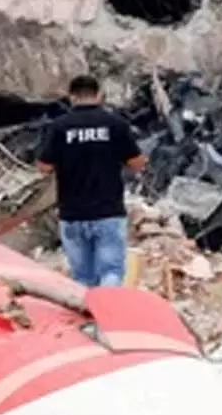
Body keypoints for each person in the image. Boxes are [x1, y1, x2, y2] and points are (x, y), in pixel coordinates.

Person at [36, 75, 147, 287]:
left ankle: (86, 308)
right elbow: (136, 163)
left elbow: (44, 167)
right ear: (99, 95)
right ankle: (107, 308)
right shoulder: (115, 124)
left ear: (71, 97)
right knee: (111, 272)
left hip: (72, 213)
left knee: (82, 278)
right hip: (108, 212)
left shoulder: (59, 127)